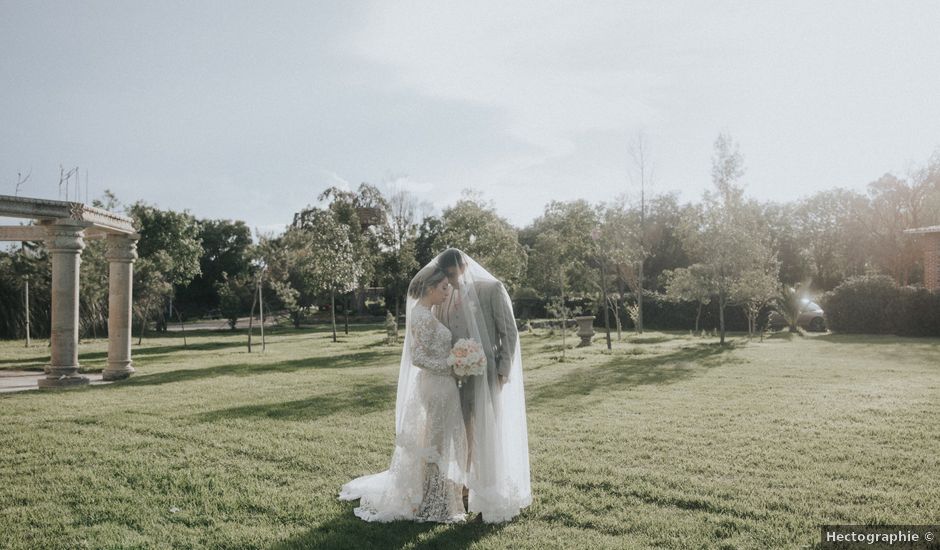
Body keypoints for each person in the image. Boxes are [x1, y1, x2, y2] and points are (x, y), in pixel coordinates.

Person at [338, 264, 468, 523]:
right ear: (431, 288)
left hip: (440, 383)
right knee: (435, 442)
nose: (447, 291)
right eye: (444, 287)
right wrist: (451, 366)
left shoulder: (426, 312)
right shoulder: (421, 315)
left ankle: (434, 495)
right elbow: (418, 357)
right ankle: (433, 501)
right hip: (438, 384)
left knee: (436, 440)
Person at [433, 248, 531, 523]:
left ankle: (490, 498)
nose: (450, 281)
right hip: (459, 378)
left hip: (487, 376)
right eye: (446, 277)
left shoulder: (492, 289)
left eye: (452, 274)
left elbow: (509, 332)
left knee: (486, 436)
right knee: (464, 437)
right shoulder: (448, 294)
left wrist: (502, 370)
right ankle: (465, 491)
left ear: (463, 266)